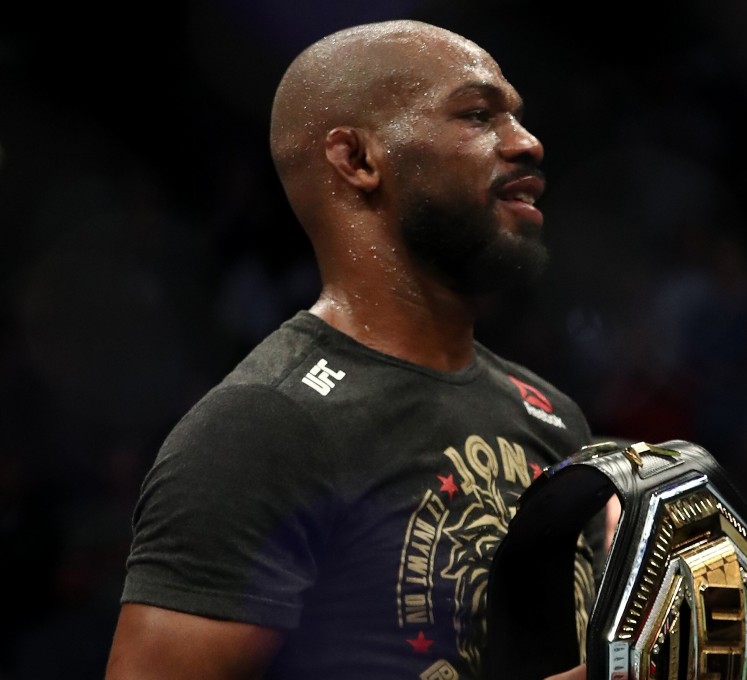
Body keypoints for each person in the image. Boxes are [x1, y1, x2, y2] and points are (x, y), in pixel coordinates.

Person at [104, 18, 599, 680]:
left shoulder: (553, 417)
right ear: (359, 160)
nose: (528, 143)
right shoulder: (260, 432)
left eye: (518, 118)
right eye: (480, 114)